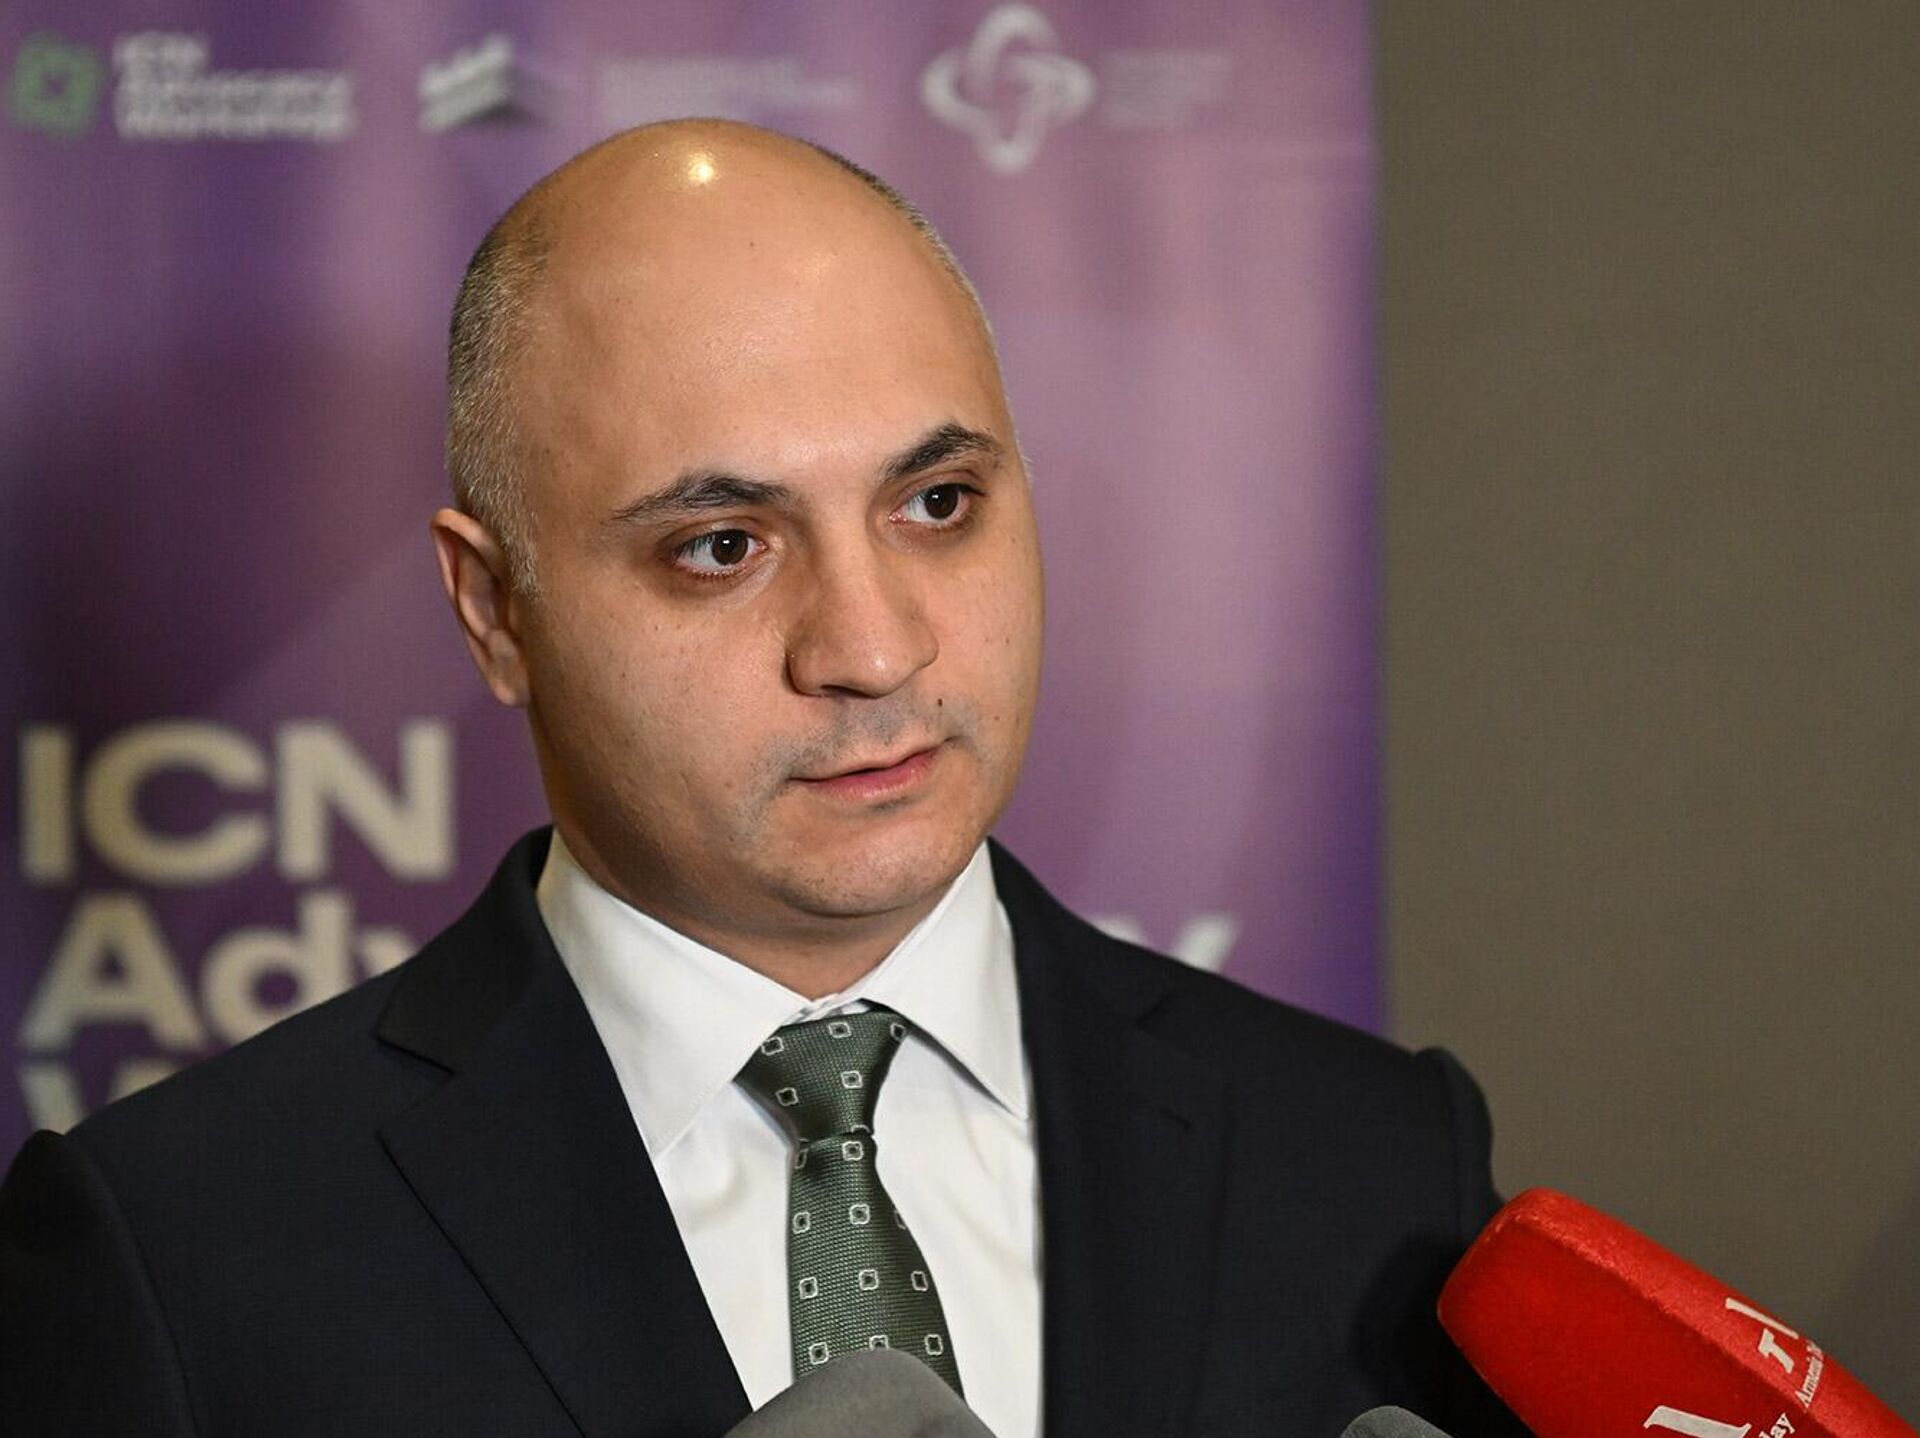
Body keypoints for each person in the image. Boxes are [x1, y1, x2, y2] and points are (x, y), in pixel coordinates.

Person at [0, 121, 1520, 1437]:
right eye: (723, 546)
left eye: (938, 503)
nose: (873, 647)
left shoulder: (1381, 1162)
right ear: (495, 609)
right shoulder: (183, 1251)